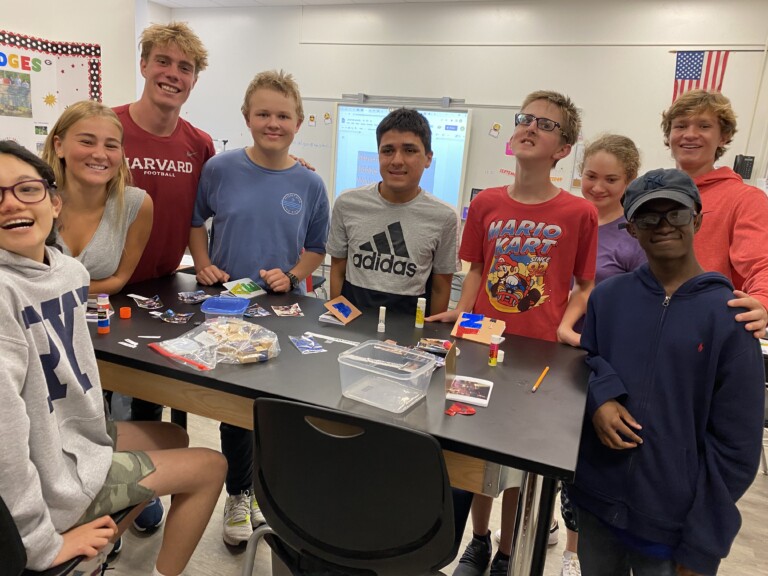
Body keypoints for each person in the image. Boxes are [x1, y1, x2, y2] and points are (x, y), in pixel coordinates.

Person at [0, 140, 227, 576]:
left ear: (53, 202)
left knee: (174, 438)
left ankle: (110, 526)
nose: (11, 203)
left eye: (25, 189)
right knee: (211, 464)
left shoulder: (67, 270)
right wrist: (41, 544)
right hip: (52, 484)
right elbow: (5, 444)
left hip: (72, 443)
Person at [429, 90, 598, 576]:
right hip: (481, 343)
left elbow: (585, 285)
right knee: (475, 446)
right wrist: (460, 314)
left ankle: (507, 552)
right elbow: (477, 269)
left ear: (563, 148)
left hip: (539, 354)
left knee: (517, 463)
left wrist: (566, 323)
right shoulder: (486, 202)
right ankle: (477, 541)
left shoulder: (578, 213)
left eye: (545, 125)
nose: (529, 127)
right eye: (525, 119)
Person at [570, 167, 764, 576]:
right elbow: (585, 360)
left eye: (674, 214)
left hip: (672, 527)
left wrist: (702, 545)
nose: (662, 226)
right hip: (597, 504)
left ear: (696, 218)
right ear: (631, 229)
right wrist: (600, 397)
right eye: (648, 217)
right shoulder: (608, 298)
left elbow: (736, 450)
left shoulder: (730, 318)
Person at [189, 69, 329, 546]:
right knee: (235, 409)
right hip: (229, 308)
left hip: (287, 312)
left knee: (281, 409)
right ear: (247, 117)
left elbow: (316, 250)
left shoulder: (310, 184)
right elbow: (196, 223)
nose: (273, 122)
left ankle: (283, 498)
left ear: (299, 121)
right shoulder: (220, 169)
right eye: (263, 113)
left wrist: (290, 274)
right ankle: (239, 493)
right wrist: (204, 263)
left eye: (283, 115)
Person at [113, 23, 215, 530]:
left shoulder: (199, 144)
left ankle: (140, 488)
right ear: (144, 64)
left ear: (194, 80)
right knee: (98, 400)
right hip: (100, 287)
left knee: (149, 397)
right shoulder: (107, 128)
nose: (172, 74)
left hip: (162, 291)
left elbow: (211, 204)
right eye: (163, 62)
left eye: (185, 67)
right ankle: (92, 493)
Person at [327, 107, 459, 315]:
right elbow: (337, 270)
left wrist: (429, 339)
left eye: (409, 150)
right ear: (378, 154)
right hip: (353, 324)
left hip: (408, 332)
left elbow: (440, 286)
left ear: (428, 158)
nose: (397, 160)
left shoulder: (444, 217)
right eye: (388, 150)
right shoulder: (347, 203)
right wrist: (339, 320)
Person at [661, 89, 768, 337]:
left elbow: (761, 263)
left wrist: (761, 301)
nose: (690, 134)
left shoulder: (744, 199)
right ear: (669, 136)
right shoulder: (650, 195)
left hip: (705, 333)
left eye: (704, 125)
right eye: (680, 126)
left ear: (724, 136)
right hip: (646, 325)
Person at [41, 100, 153, 295]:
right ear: (59, 146)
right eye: (87, 142)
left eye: (111, 145)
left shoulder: (135, 204)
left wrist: (50, 293)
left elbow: (117, 281)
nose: (100, 154)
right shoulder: (32, 201)